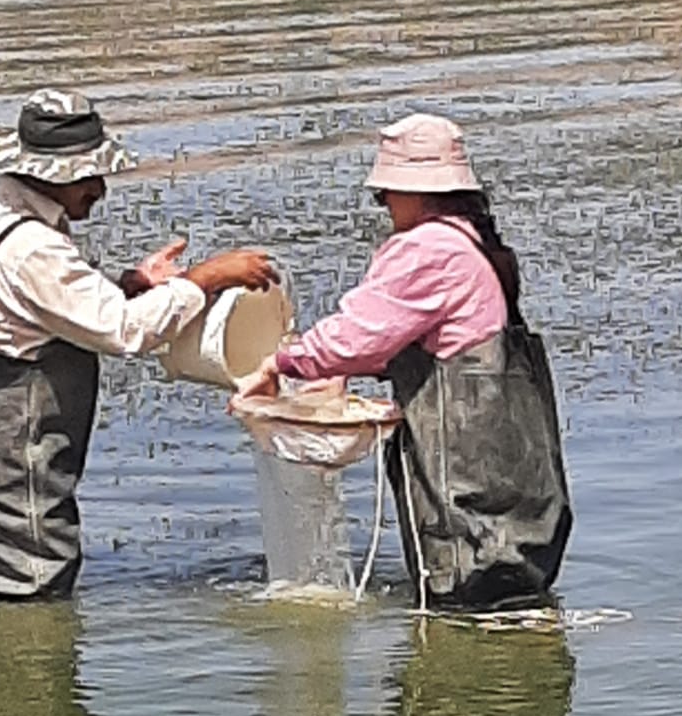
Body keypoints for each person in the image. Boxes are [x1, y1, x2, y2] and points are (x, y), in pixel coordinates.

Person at [0, 86, 276, 598]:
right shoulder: (34, 248)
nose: (99, 189)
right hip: (7, 458)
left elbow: (44, 308)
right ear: (53, 175)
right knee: (32, 590)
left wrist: (127, 286)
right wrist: (205, 279)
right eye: (89, 176)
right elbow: (122, 331)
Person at [233, 113, 572, 609]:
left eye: (385, 195)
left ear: (414, 192)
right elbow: (420, 345)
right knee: (505, 588)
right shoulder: (474, 244)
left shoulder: (428, 249)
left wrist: (280, 365)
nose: (385, 206)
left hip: (467, 484)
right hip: (518, 487)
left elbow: (358, 334)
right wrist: (340, 375)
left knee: (460, 587)